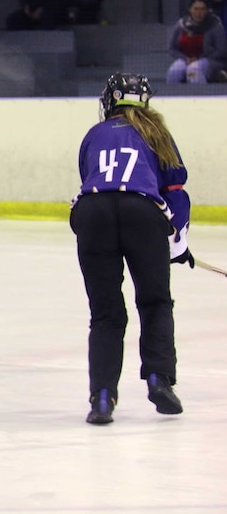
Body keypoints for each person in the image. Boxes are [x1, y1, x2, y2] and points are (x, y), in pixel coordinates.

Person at [70, 73, 191, 425]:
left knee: (106, 314)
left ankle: (103, 397)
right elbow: (176, 191)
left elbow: (92, 180)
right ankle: (159, 380)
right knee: (154, 302)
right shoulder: (157, 133)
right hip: (142, 214)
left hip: (92, 213)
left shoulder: (94, 134)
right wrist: (178, 239)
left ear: (110, 101)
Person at [166, 0, 227, 84]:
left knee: (193, 69)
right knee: (174, 71)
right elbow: (172, 48)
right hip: (186, 59)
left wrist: (198, 58)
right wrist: (185, 59)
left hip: (210, 60)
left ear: (207, 11)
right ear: (190, 10)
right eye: (196, 9)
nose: (199, 13)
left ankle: (200, 96)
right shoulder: (181, 25)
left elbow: (221, 51)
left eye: (202, 9)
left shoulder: (215, 25)